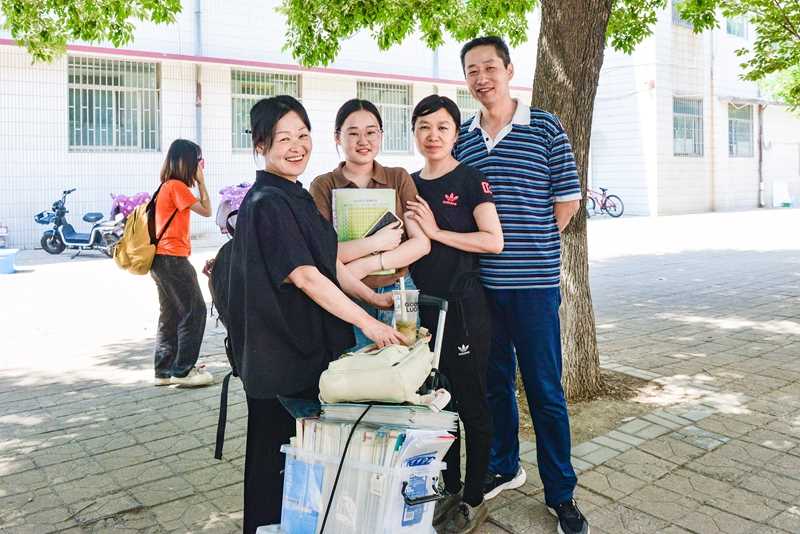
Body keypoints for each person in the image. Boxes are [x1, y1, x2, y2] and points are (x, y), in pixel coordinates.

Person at [225, 95, 405, 534]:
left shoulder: (295, 195)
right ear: (261, 145)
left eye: (302, 135)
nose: (296, 146)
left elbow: (329, 263)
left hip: (300, 355)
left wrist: (374, 299)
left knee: (300, 462)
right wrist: (368, 324)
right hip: (280, 360)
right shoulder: (267, 201)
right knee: (279, 466)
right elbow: (306, 276)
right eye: (284, 138)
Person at [454, 37, 588, 534]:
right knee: (494, 385)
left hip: (533, 287)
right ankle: (505, 465)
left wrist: (530, 243)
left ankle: (561, 492)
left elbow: (567, 202)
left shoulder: (545, 127)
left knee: (545, 390)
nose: (482, 78)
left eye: (490, 67)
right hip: (481, 289)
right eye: (472, 70)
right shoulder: (462, 138)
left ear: (509, 70)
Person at [405, 95, 503, 534]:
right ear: (414, 132)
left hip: (464, 308)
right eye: (424, 127)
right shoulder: (408, 185)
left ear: (456, 133)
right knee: (437, 403)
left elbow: (493, 240)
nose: (433, 135)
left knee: (471, 403)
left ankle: (474, 497)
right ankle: (450, 486)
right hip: (422, 310)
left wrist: (437, 231)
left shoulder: (470, 180)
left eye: (442, 127)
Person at [309, 99, 430, 349]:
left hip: (399, 291)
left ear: (381, 135)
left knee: (403, 365)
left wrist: (365, 265)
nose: (363, 141)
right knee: (356, 367)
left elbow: (421, 244)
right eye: (353, 133)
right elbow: (324, 253)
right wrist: (377, 243)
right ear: (337, 137)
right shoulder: (323, 185)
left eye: (371, 132)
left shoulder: (398, 177)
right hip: (347, 296)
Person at [150, 139, 214, 388]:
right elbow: (207, 210)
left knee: (170, 314)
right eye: (198, 160)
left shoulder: (165, 186)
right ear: (188, 162)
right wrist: (202, 182)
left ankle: (164, 371)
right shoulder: (177, 186)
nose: (201, 165)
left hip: (160, 260)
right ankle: (183, 370)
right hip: (173, 260)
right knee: (195, 311)